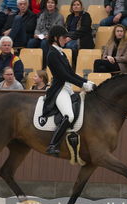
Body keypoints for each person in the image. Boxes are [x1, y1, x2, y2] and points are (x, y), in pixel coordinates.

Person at [41, 25, 95, 155]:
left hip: (68, 88)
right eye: (63, 37)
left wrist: (85, 81)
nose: (66, 39)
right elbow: (63, 76)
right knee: (69, 115)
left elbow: (71, 73)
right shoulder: (52, 54)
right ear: (55, 38)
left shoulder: (61, 53)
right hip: (59, 90)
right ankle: (53, 145)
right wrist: (82, 85)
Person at [27, 0, 64, 68]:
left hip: (51, 38)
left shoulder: (59, 16)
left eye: (52, 3)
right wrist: (36, 34)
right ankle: (30, 64)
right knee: (31, 42)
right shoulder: (42, 15)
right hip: (41, 36)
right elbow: (37, 28)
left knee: (44, 43)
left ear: (55, 5)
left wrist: (50, 36)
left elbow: (59, 31)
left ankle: (44, 65)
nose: (50, 4)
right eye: (48, 3)